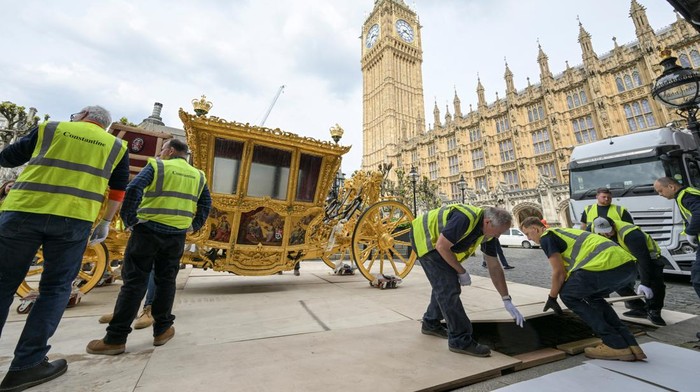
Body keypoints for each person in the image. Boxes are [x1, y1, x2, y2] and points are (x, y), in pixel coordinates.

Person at [0, 106, 129, 391]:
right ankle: (27, 364)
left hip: (24, 211)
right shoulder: (116, 146)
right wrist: (106, 221)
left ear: (82, 115)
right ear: (105, 126)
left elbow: (7, 157)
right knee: (56, 289)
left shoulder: (52, 128)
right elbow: (119, 189)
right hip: (74, 219)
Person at [87, 138, 211, 355]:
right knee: (166, 282)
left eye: (163, 150)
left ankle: (116, 338)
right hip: (176, 235)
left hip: (148, 230)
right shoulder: (198, 175)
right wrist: (195, 224)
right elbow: (205, 203)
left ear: (170, 151)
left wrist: (130, 220)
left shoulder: (158, 166)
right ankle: (162, 330)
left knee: (134, 283)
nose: (161, 153)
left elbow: (134, 188)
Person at [520, 217, 645, 361]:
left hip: (605, 264)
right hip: (627, 266)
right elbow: (567, 271)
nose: (528, 238)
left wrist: (552, 297)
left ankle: (614, 344)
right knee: (593, 297)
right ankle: (629, 344)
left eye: (528, 234)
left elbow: (559, 272)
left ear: (535, 229)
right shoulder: (561, 232)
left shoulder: (547, 237)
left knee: (568, 295)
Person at [411, 205, 525, 357]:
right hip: (425, 240)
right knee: (449, 287)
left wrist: (506, 298)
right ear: (487, 222)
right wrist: (461, 271)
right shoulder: (464, 218)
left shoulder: (489, 233)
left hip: (439, 244)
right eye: (498, 232)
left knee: (444, 285)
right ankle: (460, 339)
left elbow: (494, 265)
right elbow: (442, 246)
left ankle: (430, 323)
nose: (498, 237)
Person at [592, 217, 667, 326]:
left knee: (654, 282)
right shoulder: (595, 230)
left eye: (608, 231)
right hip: (627, 257)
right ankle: (639, 307)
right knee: (615, 280)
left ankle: (654, 311)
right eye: (603, 233)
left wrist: (645, 283)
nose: (607, 235)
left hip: (649, 258)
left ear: (613, 225)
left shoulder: (631, 234)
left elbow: (643, 259)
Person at [654, 177, 700, 336]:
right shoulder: (685, 196)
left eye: (661, 190)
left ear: (671, 187)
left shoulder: (687, 195)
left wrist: (690, 232)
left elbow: (699, 212)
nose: (660, 194)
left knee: (698, 279)